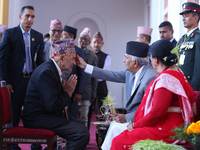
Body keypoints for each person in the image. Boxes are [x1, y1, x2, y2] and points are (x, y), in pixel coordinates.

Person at [110, 39, 196, 150]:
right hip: (174, 122)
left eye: (150, 56)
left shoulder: (165, 79)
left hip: (169, 127)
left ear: (155, 59)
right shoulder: (177, 71)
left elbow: (156, 114)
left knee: (119, 141)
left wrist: (135, 125)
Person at [76, 41, 158, 150]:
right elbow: (110, 74)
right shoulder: (131, 72)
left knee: (114, 128)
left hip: (143, 123)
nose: (123, 60)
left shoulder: (150, 77)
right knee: (114, 126)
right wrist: (86, 66)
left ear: (135, 63)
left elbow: (150, 109)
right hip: (134, 120)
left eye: (126, 57)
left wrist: (127, 117)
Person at [22, 39, 89, 150]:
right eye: (72, 58)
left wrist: (64, 92)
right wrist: (67, 93)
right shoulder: (46, 72)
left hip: (45, 114)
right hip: (36, 118)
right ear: (61, 58)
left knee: (82, 126)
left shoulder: (52, 69)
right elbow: (52, 106)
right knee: (80, 133)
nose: (74, 63)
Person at [0, 6, 44, 150]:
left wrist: (41, 81)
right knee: (15, 113)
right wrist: (5, 81)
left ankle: (36, 145)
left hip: (32, 81)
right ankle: (13, 146)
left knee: (34, 112)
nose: (30, 19)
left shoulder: (38, 36)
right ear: (20, 17)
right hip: (15, 81)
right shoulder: (10, 34)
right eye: (27, 16)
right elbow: (2, 60)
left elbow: (40, 61)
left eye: (32, 17)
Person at [62, 25, 86, 119]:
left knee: (71, 116)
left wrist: (79, 92)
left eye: (64, 34)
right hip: (60, 88)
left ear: (71, 37)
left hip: (73, 89)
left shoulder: (79, 52)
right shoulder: (61, 49)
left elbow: (82, 73)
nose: (62, 36)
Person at [77, 27, 98, 127]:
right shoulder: (71, 52)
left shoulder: (93, 56)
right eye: (81, 38)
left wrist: (93, 93)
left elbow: (95, 77)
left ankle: (83, 140)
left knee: (84, 118)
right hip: (71, 91)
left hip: (86, 92)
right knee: (69, 117)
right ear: (78, 39)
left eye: (86, 39)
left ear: (89, 42)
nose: (83, 41)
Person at [178, 2, 200, 91]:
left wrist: (194, 89)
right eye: (182, 16)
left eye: (186, 16)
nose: (183, 19)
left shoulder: (198, 38)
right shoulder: (182, 39)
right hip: (181, 84)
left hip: (191, 86)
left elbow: (198, 65)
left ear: (195, 18)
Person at [90, 31, 111, 121]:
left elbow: (105, 73)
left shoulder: (106, 57)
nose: (96, 44)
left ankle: (101, 134)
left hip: (100, 87)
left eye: (98, 42)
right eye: (94, 42)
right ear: (91, 43)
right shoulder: (87, 55)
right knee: (87, 112)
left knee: (101, 113)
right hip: (89, 87)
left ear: (102, 44)